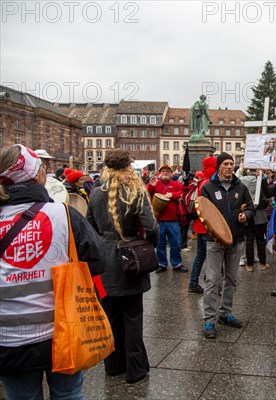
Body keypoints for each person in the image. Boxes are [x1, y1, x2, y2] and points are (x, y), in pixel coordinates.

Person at [0, 144, 106, 399]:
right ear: (37, 176)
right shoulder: (63, 214)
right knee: (68, 395)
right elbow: (98, 259)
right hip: (62, 329)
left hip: (8, 338)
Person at [86, 149, 158, 384]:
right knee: (133, 316)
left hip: (105, 262)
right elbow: (151, 227)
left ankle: (113, 366)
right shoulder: (135, 191)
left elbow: (90, 226)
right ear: (129, 167)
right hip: (130, 261)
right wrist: (149, 245)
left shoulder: (95, 193)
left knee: (111, 316)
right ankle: (135, 369)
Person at [201, 152, 255, 339]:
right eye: (226, 163)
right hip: (214, 241)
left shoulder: (241, 186)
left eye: (232, 163)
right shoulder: (208, 187)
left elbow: (251, 207)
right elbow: (202, 210)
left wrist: (245, 215)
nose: (230, 167)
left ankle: (225, 313)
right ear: (218, 167)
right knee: (212, 280)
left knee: (231, 279)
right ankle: (209, 319)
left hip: (236, 239)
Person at [147, 164, 186, 273]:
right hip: (159, 220)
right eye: (163, 171)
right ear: (159, 173)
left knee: (176, 243)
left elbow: (182, 193)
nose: (165, 173)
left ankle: (176, 263)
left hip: (173, 220)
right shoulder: (155, 184)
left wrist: (171, 194)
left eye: (168, 171)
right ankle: (161, 264)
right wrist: (151, 186)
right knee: (160, 244)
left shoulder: (176, 184)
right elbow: (146, 193)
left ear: (171, 173)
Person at [188, 155, 217, 294]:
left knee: (200, 255)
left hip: (199, 225)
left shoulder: (201, 181)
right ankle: (212, 284)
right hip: (208, 225)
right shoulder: (209, 183)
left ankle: (193, 282)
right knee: (212, 256)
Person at [239, 168, 271, 272]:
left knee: (249, 240)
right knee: (260, 240)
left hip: (247, 215)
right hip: (260, 216)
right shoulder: (261, 180)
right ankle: (262, 263)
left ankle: (249, 265)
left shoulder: (241, 181)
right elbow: (267, 196)